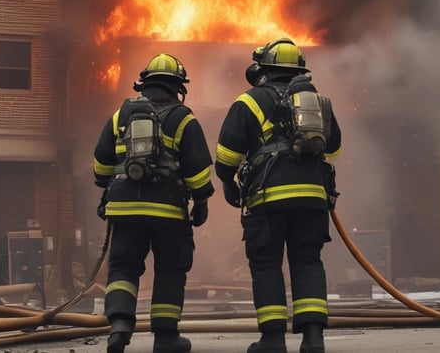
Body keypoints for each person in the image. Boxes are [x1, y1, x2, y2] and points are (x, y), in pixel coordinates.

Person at [215, 39, 342, 353]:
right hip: (312, 197)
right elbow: (334, 150)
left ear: (263, 69)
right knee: (308, 262)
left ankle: (272, 340)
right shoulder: (317, 101)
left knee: (266, 264)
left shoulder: (249, 101)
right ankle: (314, 340)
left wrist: (229, 185)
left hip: (268, 197)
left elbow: (226, 157)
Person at [93, 53, 215, 353]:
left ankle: (119, 327)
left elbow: (100, 167)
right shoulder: (184, 118)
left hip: (123, 211)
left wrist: (110, 192)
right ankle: (165, 338)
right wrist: (201, 202)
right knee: (170, 271)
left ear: (143, 84)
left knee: (123, 267)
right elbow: (198, 172)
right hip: (168, 211)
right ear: (178, 87)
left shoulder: (120, 116)